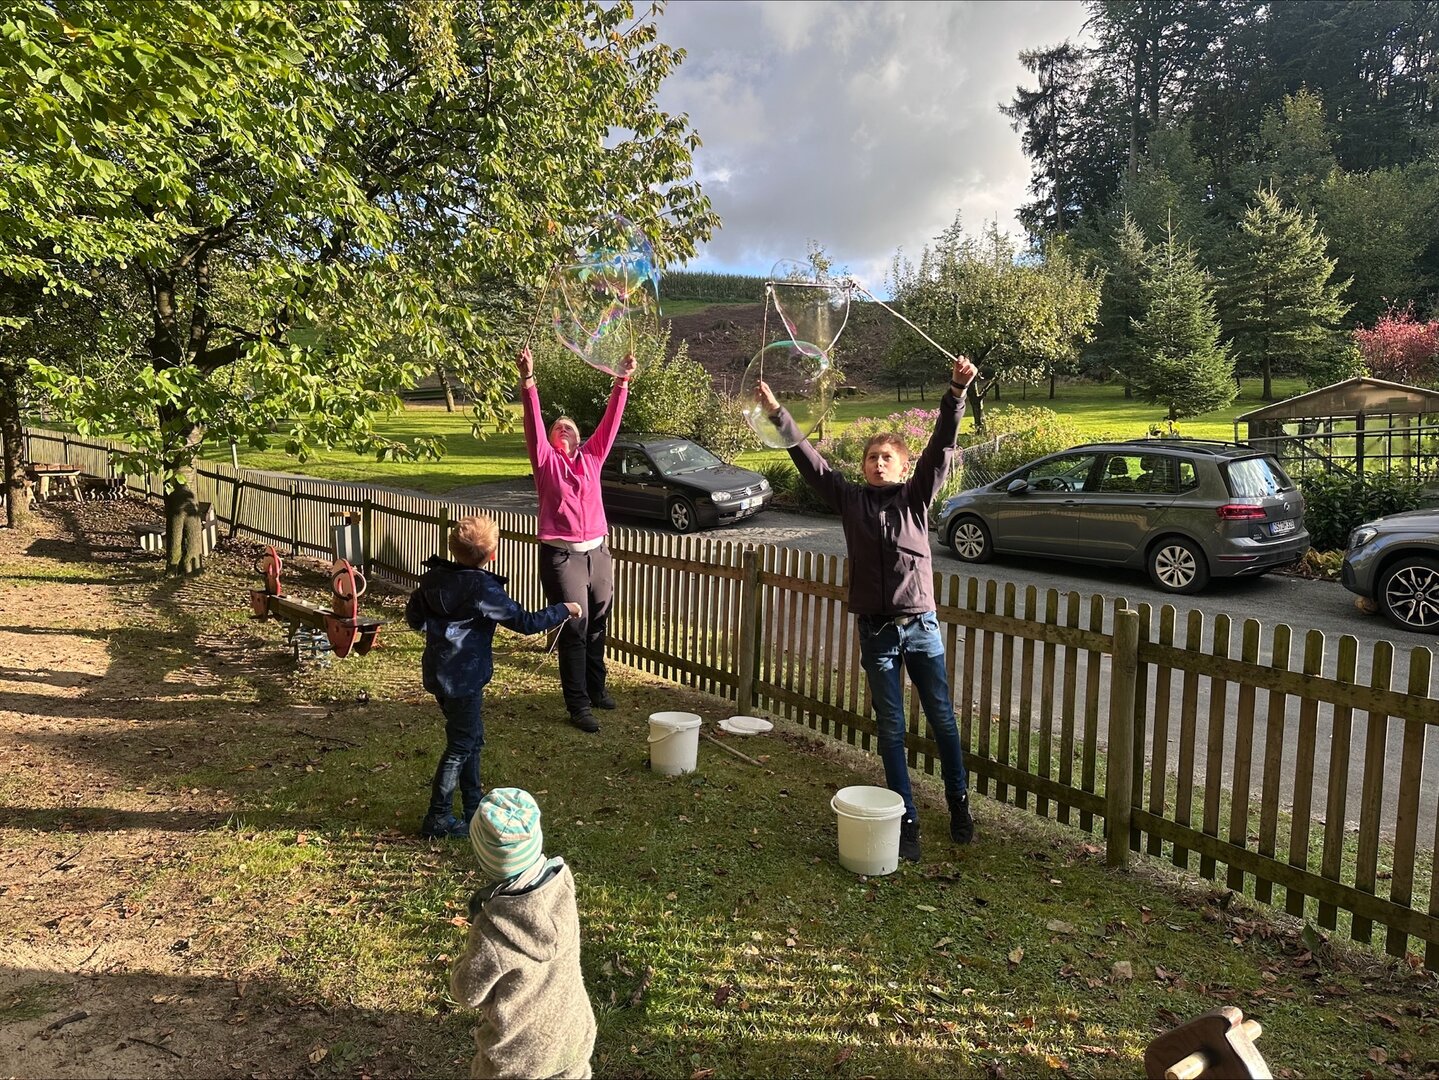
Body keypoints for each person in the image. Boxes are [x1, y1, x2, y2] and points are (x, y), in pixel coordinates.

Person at [755, 356, 980, 862]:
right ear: (863, 466)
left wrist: (955, 394)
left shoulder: (916, 496)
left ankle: (959, 802)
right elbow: (809, 460)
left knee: (942, 719)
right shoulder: (850, 500)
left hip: (920, 626)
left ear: (902, 467)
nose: (879, 463)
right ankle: (907, 820)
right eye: (872, 457)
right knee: (892, 728)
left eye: (887, 458)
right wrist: (776, 412)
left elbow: (941, 448)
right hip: (876, 632)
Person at [406, 514, 579, 840]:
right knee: (460, 745)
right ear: (492, 554)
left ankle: (474, 806)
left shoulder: (433, 578)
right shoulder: (482, 588)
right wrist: (563, 609)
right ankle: (438, 817)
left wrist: (442, 627)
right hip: (464, 677)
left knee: (471, 737)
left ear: (453, 547)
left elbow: (414, 618)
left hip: (440, 672)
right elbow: (525, 622)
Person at [517, 347, 637, 733]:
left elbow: (611, 422)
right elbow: (534, 423)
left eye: (569, 426)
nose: (563, 428)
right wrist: (529, 379)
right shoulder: (545, 461)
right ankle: (578, 705)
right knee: (574, 628)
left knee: (599, 622)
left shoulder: (592, 458)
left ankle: (596, 690)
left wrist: (622, 381)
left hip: (598, 552)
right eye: (558, 427)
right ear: (551, 438)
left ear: (580, 437)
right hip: (562, 557)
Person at [451, 787, 596, 1080]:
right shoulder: (562, 886)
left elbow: (468, 992)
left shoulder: (493, 930)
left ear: (485, 858)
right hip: (573, 1030)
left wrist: (458, 968)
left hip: (519, 1054)